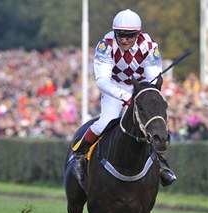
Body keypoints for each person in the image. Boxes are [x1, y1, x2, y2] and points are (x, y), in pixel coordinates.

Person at [72, 9, 177, 186]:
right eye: (120, 35)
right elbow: (102, 80)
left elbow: (153, 79)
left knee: (153, 124)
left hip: (141, 87)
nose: (124, 40)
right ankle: (80, 155)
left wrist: (141, 93)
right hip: (114, 86)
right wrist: (124, 95)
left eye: (129, 36)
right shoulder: (105, 45)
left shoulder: (150, 47)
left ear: (138, 33)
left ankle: (162, 166)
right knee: (105, 122)